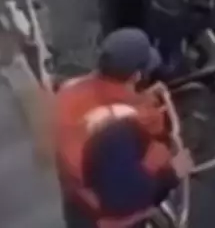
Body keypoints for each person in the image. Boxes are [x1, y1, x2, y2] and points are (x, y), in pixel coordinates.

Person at [52, 27, 195, 228]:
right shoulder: (118, 131)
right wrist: (172, 173)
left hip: (77, 200)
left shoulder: (70, 88)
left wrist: (140, 98)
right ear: (136, 76)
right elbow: (122, 200)